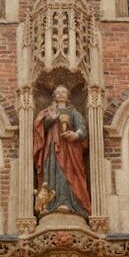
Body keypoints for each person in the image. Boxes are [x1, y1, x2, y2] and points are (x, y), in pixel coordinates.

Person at [33, 85, 91, 220]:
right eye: (57, 92)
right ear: (54, 95)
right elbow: (39, 128)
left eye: (63, 92)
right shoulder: (49, 111)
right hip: (52, 148)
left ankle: (71, 204)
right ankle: (50, 205)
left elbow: (82, 129)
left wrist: (75, 135)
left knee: (69, 174)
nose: (60, 94)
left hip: (70, 149)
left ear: (68, 96)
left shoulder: (74, 113)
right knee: (52, 172)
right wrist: (50, 119)